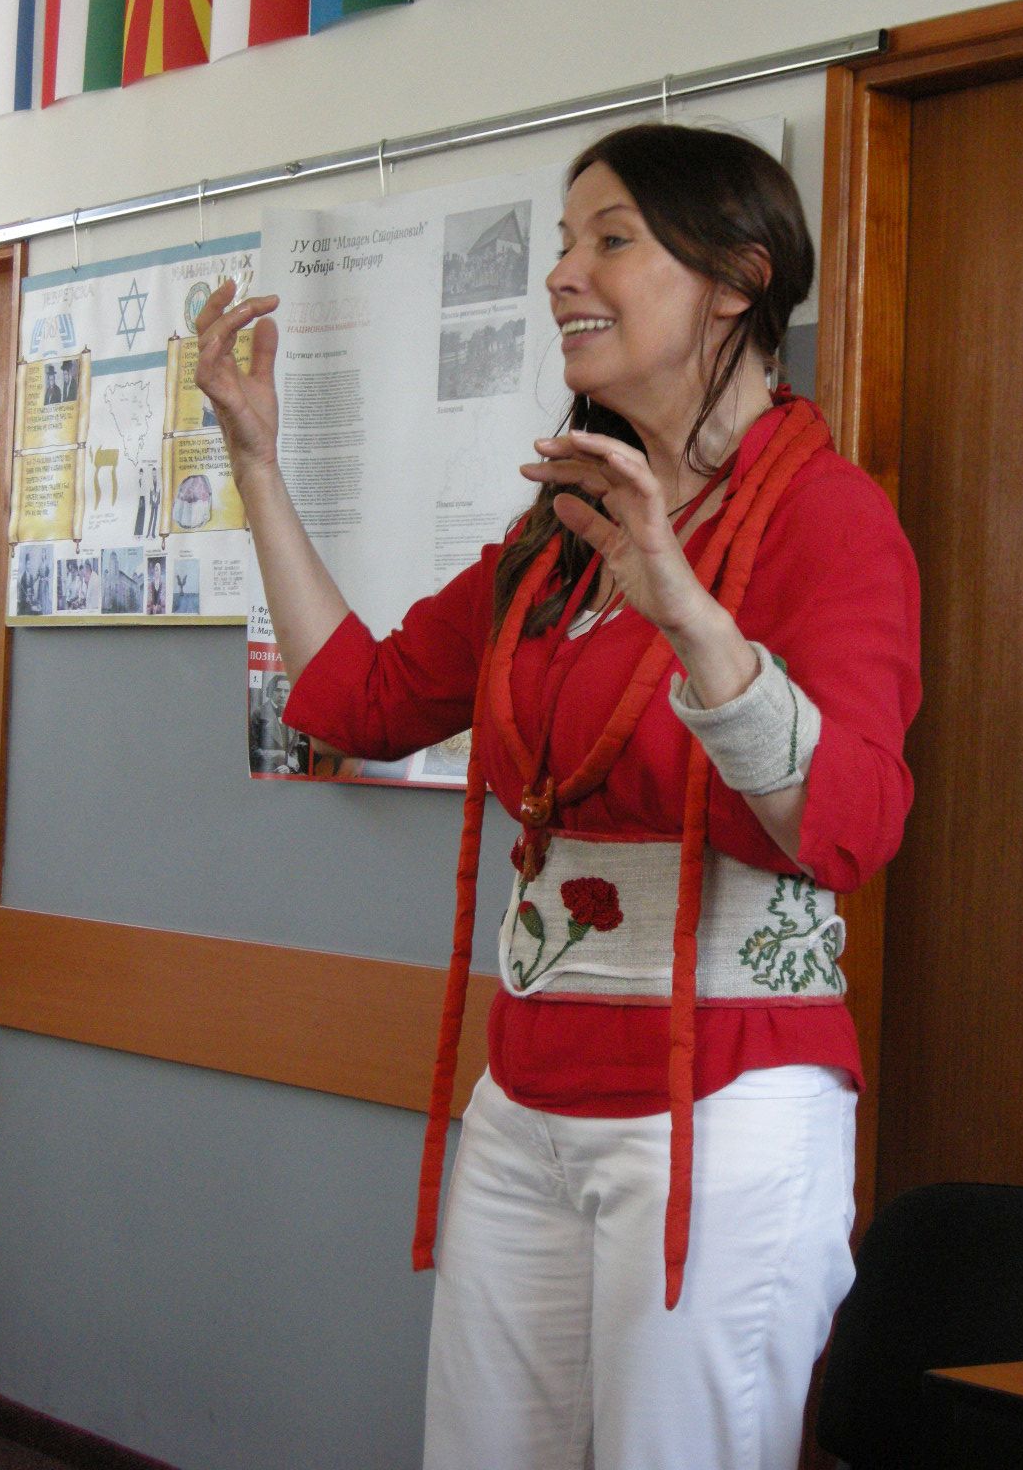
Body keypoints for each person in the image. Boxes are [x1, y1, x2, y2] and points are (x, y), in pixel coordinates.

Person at [193, 123, 921, 1470]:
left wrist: (689, 611)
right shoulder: (560, 533)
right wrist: (255, 461)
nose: (561, 274)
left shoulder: (829, 519)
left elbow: (852, 826)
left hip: (724, 1104)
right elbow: (357, 701)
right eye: (561, 241)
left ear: (737, 281)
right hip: (525, 1095)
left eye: (611, 240)